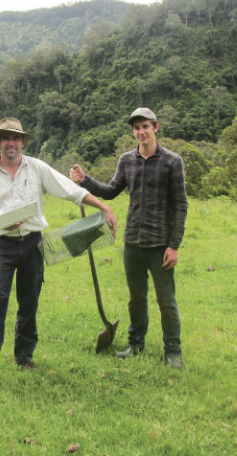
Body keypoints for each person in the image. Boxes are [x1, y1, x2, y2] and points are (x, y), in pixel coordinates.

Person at [0, 117, 118, 392]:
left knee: (29, 301)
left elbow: (71, 190)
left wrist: (104, 208)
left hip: (32, 244)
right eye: (5, 138)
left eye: (16, 138)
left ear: (23, 142)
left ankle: (24, 357)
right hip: (2, 246)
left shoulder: (36, 168)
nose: (11, 143)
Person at [70, 107, 188, 369]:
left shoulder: (172, 161)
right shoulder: (127, 160)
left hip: (160, 245)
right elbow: (111, 191)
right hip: (133, 242)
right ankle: (136, 344)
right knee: (136, 298)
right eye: (136, 128)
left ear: (155, 128)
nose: (141, 132)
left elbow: (180, 205)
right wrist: (85, 180)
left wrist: (174, 245)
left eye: (145, 126)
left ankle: (173, 351)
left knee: (166, 300)